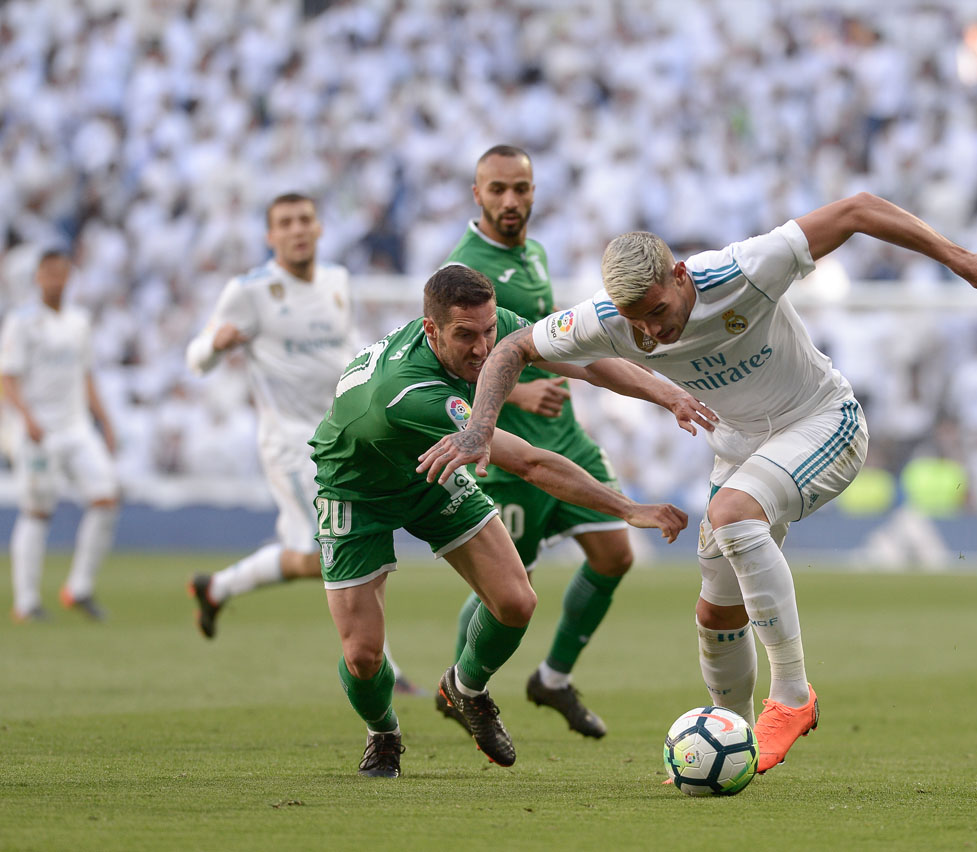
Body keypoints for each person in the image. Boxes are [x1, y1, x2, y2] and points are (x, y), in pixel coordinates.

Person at [419, 191, 977, 774]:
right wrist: (479, 429)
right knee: (717, 610)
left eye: (659, 311)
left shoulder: (744, 270)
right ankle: (731, 740)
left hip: (822, 421)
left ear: (681, 275)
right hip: (740, 446)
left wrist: (964, 260)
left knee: (733, 514)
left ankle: (793, 695)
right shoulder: (608, 319)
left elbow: (857, 209)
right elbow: (512, 350)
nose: (653, 332)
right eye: (638, 323)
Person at [310, 263, 702, 777]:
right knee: (363, 655)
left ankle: (466, 688)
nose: (483, 347)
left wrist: (666, 392)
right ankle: (383, 733)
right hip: (356, 490)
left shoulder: (488, 323)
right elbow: (530, 462)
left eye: (489, 331)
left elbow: (583, 358)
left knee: (516, 602)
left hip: (433, 467)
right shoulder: (410, 393)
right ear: (431, 330)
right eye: (465, 336)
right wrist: (628, 508)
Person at [184, 192, 422, 694]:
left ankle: (217, 587)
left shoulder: (337, 281)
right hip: (292, 442)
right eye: (285, 223)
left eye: (305, 220)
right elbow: (195, 358)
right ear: (270, 236)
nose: (296, 229)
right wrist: (214, 346)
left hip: (343, 432)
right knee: (336, 544)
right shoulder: (248, 291)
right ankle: (386, 668)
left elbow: (346, 346)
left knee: (309, 554)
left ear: (318, 229)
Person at [437, 144, 638, 738]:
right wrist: (519, 394)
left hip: (565, 437)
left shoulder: (535, 255)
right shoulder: (464, 267)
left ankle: (551, 679)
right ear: (477, 194)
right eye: (496, 189)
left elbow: (543, 335)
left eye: (520, 188)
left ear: (533, 192)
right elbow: (449, 361)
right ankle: (464, 687)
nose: (509, 200)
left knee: (615, 554)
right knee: (506, 586)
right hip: (508, 450)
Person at [1, 249, 120, 622]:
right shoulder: (21, 322)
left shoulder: (78, 321)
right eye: (49, 274)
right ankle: (26, 602)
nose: (55, 280)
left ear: (70, 277)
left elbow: (86, 375)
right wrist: (26, 418)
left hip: (76, 426)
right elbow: (7, 377)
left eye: (62, 273)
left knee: (105, 498)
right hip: (37, 430)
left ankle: (78, 588)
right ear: (37, 278)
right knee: (37, 510)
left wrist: (107, 421)